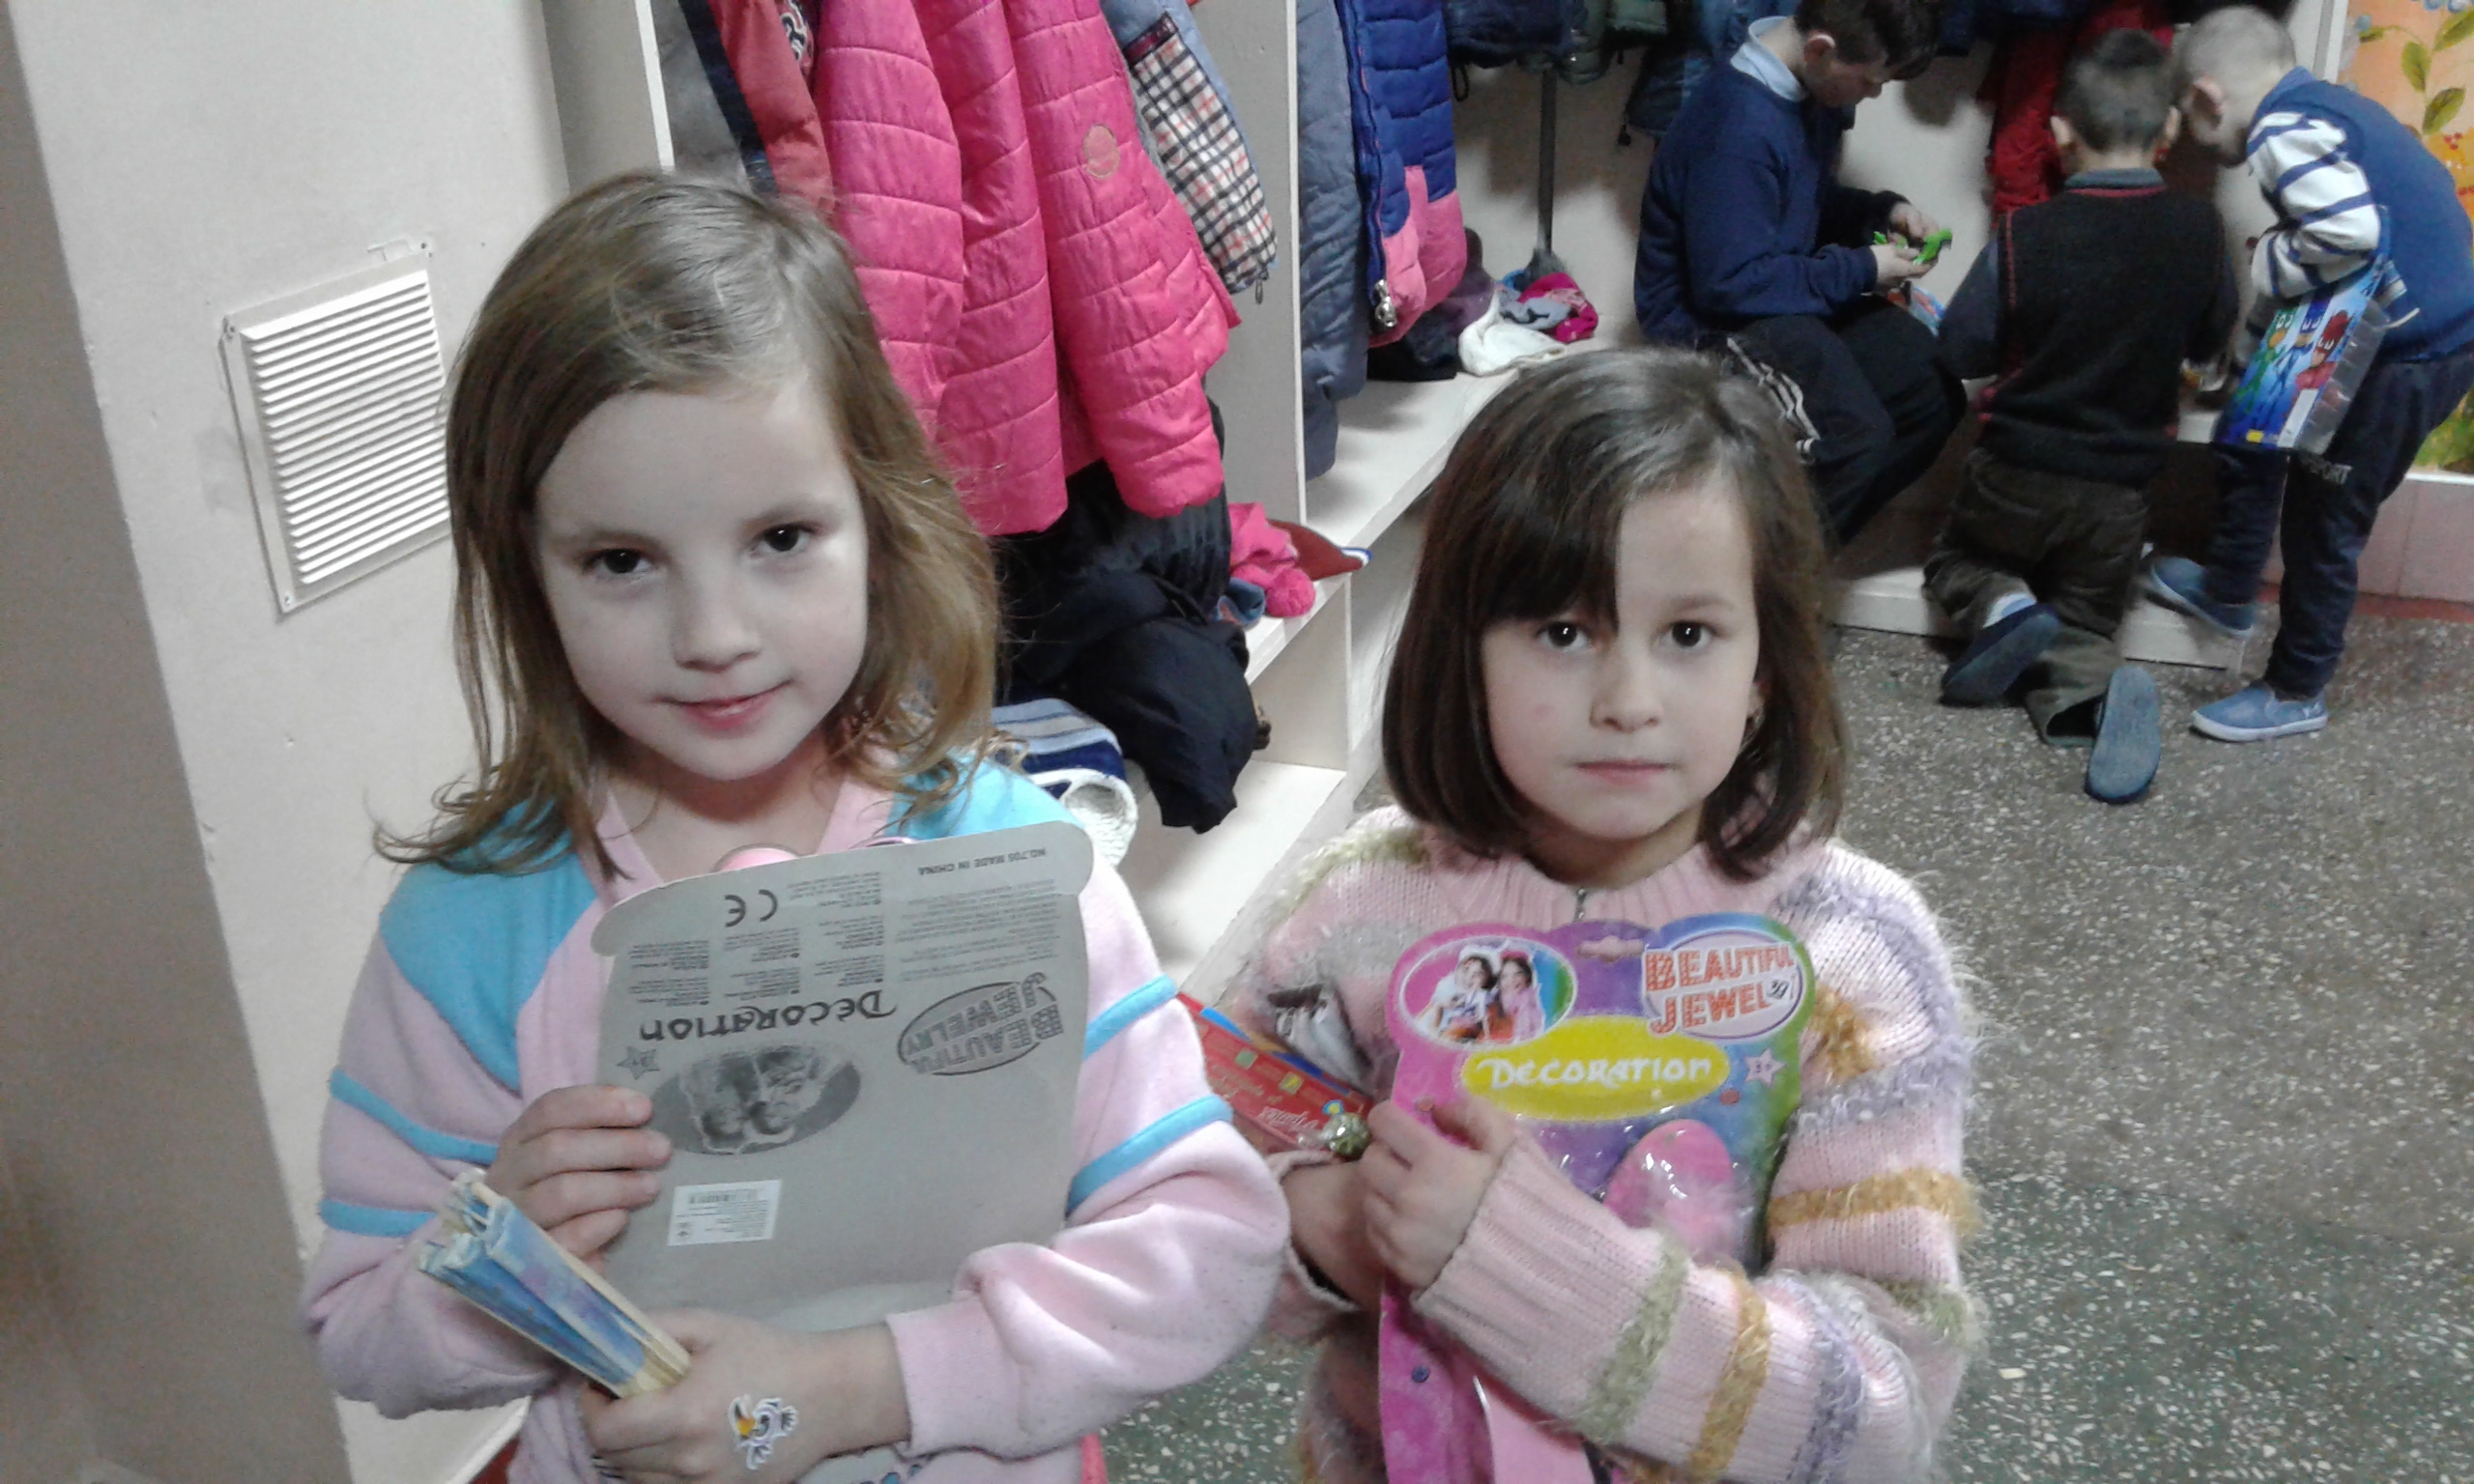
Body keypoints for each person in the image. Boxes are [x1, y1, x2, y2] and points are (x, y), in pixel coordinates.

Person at [299, 175, 1286, 1484]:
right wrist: (494, 1265)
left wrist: (865, 1385)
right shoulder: (475, 926)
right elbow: (359, 1325)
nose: (713, 635)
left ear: (878, 523)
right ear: (526, 568)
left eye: (779, 537)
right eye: (620, 561)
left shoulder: (1006, 875)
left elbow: (1209, 1246)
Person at [1230, 351, 1975, 1484]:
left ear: (1765, 668)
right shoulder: (1361, 912)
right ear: (1464, 651)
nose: (1627, 702)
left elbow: (1882, 1412)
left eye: (1689, 635)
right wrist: (1332, 1229)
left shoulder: (1850, 958)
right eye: (1563, 633)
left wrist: (1520, 1269)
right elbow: (1201, 1211)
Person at [1928, 29, 2237, 803]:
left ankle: (2005, 605)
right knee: (2086, 620)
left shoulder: (2026, 233)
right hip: (2119, 494)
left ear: (2060, 134)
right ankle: (2089, 699)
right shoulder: (2200, 233)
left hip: (2014, 472)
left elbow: (1961, 348)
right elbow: (2211, 344)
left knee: (1957, 564)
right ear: (2169, 133)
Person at [2147, 4, 2474, 739]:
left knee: (2323, 524)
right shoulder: (2323, 108)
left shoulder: (2280, 133)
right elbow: (2324, 262)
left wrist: (2267, 257)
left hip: (2408, 357)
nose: (2196, 143)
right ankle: (2229, 588)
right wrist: (2246, 355)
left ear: (2206, 98)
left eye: (2192, 123)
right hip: (2357, 316)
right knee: (2251, 430)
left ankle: (2297, 689)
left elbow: (2347, 235)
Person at [1632, 0, 1965, 545]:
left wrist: (1882, 212)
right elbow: (1729, 284)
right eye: (1870, 80)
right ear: (1820, 50)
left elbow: (1798, 202)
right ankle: (1760, 580)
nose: (1872, 95)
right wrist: (1862, 269)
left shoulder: (1805, 94)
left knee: (1933, 392)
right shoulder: (1737, 127)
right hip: (1709, 320)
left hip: (1773, 290)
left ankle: (1800, 560)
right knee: (1852, 434)